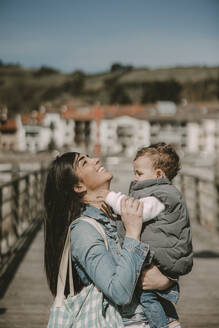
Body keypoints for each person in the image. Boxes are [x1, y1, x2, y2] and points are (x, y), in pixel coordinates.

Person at [44, 151, 174, 327]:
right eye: (84, 162)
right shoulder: (84, 231)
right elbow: (119, 293)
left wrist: (166, 282)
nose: (96, 160)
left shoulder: (120, 214)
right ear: (78, 186)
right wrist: (133, 233)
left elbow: (164, 259)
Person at [102, 142, 193, 328]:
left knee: (148, 298)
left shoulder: (159, 196)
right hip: (165, 255)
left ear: (159, 174)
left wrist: (108, 196)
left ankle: (162, 325)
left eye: (139, 173)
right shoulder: (160, 192)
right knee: (156, 297)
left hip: (162, 257)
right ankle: (171, 321)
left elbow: (136, 211)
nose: (134, 178)